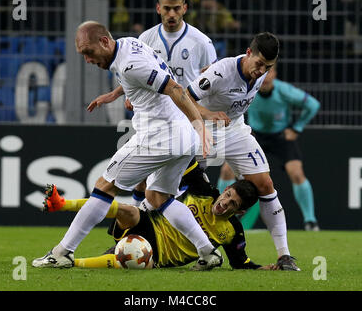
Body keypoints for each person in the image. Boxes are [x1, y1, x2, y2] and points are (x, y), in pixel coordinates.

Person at [32, 21, 222, 271]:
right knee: (159, 197)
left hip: (159, 135)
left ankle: (62, 253)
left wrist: (199, 122)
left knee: (104, 186)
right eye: (82, 55)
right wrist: (116, 94)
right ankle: (208, 252)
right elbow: (142, 75)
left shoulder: (131, 64)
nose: (87, 59)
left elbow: (174, 87)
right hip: (182, 138)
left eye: (88, 52)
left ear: (104, 42)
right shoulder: (130, 44)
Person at [88, 0, 218, 207]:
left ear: (184, 9)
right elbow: (138, 74)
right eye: (167, 8)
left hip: (188, 118)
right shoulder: (146, 38)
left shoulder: (201, 42)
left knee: (190, 182)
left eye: (177, 8)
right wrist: (118, 94)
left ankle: (189, 230)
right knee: (144, 182)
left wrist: (205, 117)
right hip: (155, 120)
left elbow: (212, 81)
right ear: (158, 9)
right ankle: (141, 228)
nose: (172, 14)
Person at [185, 32, 301, 271]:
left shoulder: (262, 72)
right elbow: (184, 97)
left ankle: (284, 256)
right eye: (259, 64)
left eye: (267, 67)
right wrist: (208, 115)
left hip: (235, 129)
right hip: (203, 128)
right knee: (189, 190)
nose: (261, 71)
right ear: (248, 53)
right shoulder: (221, 72)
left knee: (265, 184)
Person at [42, 161, 282, 271]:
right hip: (151, 226)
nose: (224, 203)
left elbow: (241, 264)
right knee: (127, 209)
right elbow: (185, 162)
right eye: (227, 195)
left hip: (161, 256)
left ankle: (72, 262)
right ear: (226, 188)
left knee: (132, 258)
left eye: (232, 204)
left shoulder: (233, 231)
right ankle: (61, 204)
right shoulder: (204, 190)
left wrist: (267, 268)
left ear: (239, 211)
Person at [246, 66, 321, 231]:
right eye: (262, 73)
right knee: (228, 172)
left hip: (280, 137)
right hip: (255, 136)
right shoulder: (248, 88)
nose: (265, 77)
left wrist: (297, 128)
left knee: (296, 173)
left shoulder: (284, 91)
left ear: (275, 74)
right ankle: (222, 216)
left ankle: (310, 221)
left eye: (269, 72)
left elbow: (313, 105)